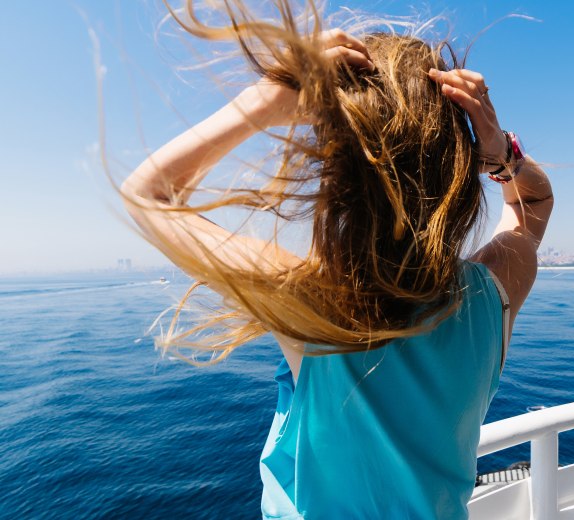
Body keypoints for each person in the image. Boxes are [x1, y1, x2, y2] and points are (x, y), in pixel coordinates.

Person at [121, 2, 552, 517]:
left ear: (338, 175)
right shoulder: (495, 293)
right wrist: (504, 151)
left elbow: (150, 196)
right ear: (459, 171)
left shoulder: (314, 301)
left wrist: (267, 101)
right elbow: (536, 203)